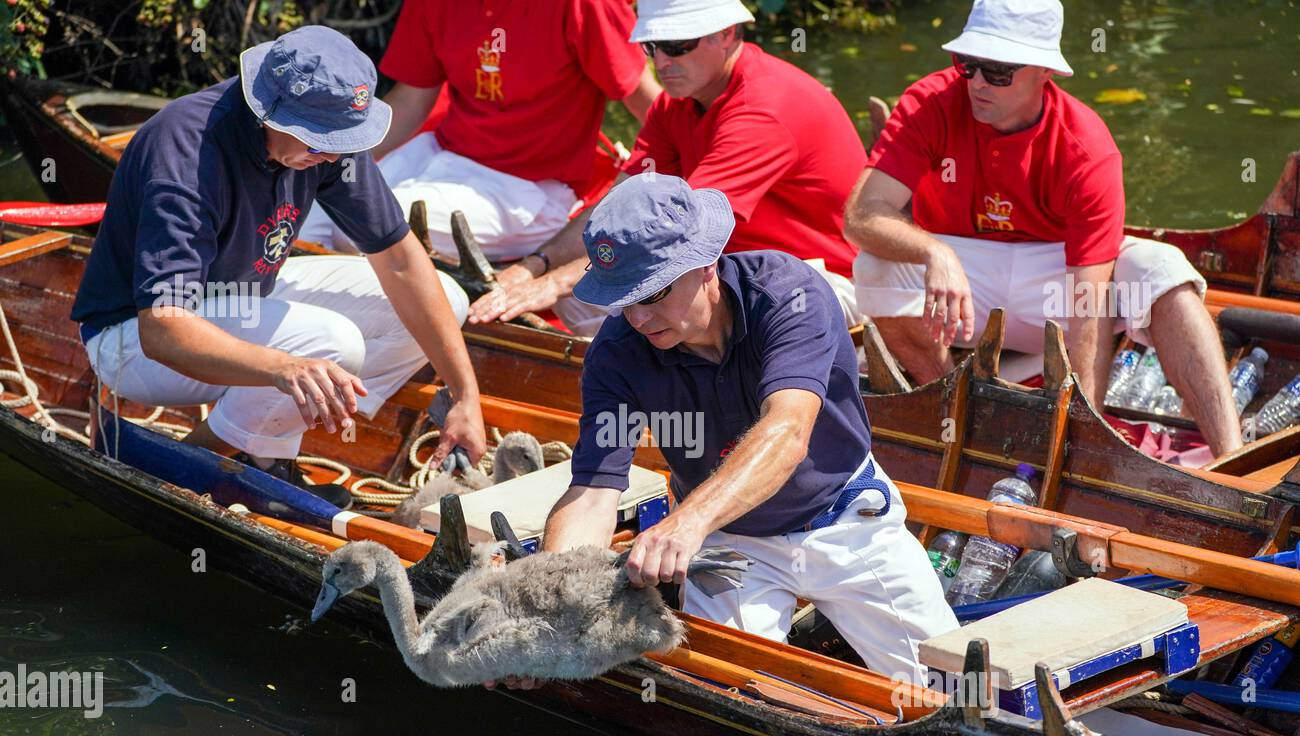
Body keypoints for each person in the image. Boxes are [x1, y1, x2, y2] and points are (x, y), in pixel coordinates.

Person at [535, 175, 957, 688]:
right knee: (729, 696)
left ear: (707, 262)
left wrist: (685, 524)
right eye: (624, 299)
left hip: (847, 521)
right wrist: (544, 611)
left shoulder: (789, 295)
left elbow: (787, 432)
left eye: (654, 292)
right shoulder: (616, 354)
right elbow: (594, 492)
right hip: (731, 543)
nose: (640, 317)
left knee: (956, 694)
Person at [72, 26, 486, 507]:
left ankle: (250, 450)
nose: (331, 155)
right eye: (318, 142)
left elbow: (398, 259)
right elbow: (162, 331)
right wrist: (284, 367)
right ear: (266, 111)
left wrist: (464, 396)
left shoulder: (325, 144)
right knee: (332, 345)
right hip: (130, 338)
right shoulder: (185, 153)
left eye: (341, 141)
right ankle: (214, 460)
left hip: (243, 298)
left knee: (448, 297)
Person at [843, 0, 1242, 457]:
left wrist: (1082, 435)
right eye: (968, 64)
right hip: (964, 286)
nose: (975, 83)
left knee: (1164, 269)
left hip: (1054, 285)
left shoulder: (1087, 147)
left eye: (998, 71)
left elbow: (1086, 305)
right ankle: (951, 412)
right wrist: (937, 254)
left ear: (1044, 72)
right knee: (874, 261)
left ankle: (1232, 459)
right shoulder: (930, 102)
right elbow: (860, 215)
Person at [468, 0, 868, 337]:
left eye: (677, 45)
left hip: (820, 279)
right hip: (729, 261)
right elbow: (618, 204)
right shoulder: (675, 102)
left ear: (727, 34)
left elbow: (679, 233)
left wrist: (552, 283)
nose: (661, 62)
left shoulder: (760, 112)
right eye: (652, 46)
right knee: (581, 301)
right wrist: (534, 267)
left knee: (606, 294)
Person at [298, 0, 658, 262]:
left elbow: (656, 111)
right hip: (440, 155)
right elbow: (411, 100)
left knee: (357, 226)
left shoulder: (585, 4)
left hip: (529, 191)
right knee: (304, 202)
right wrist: (329, 153)